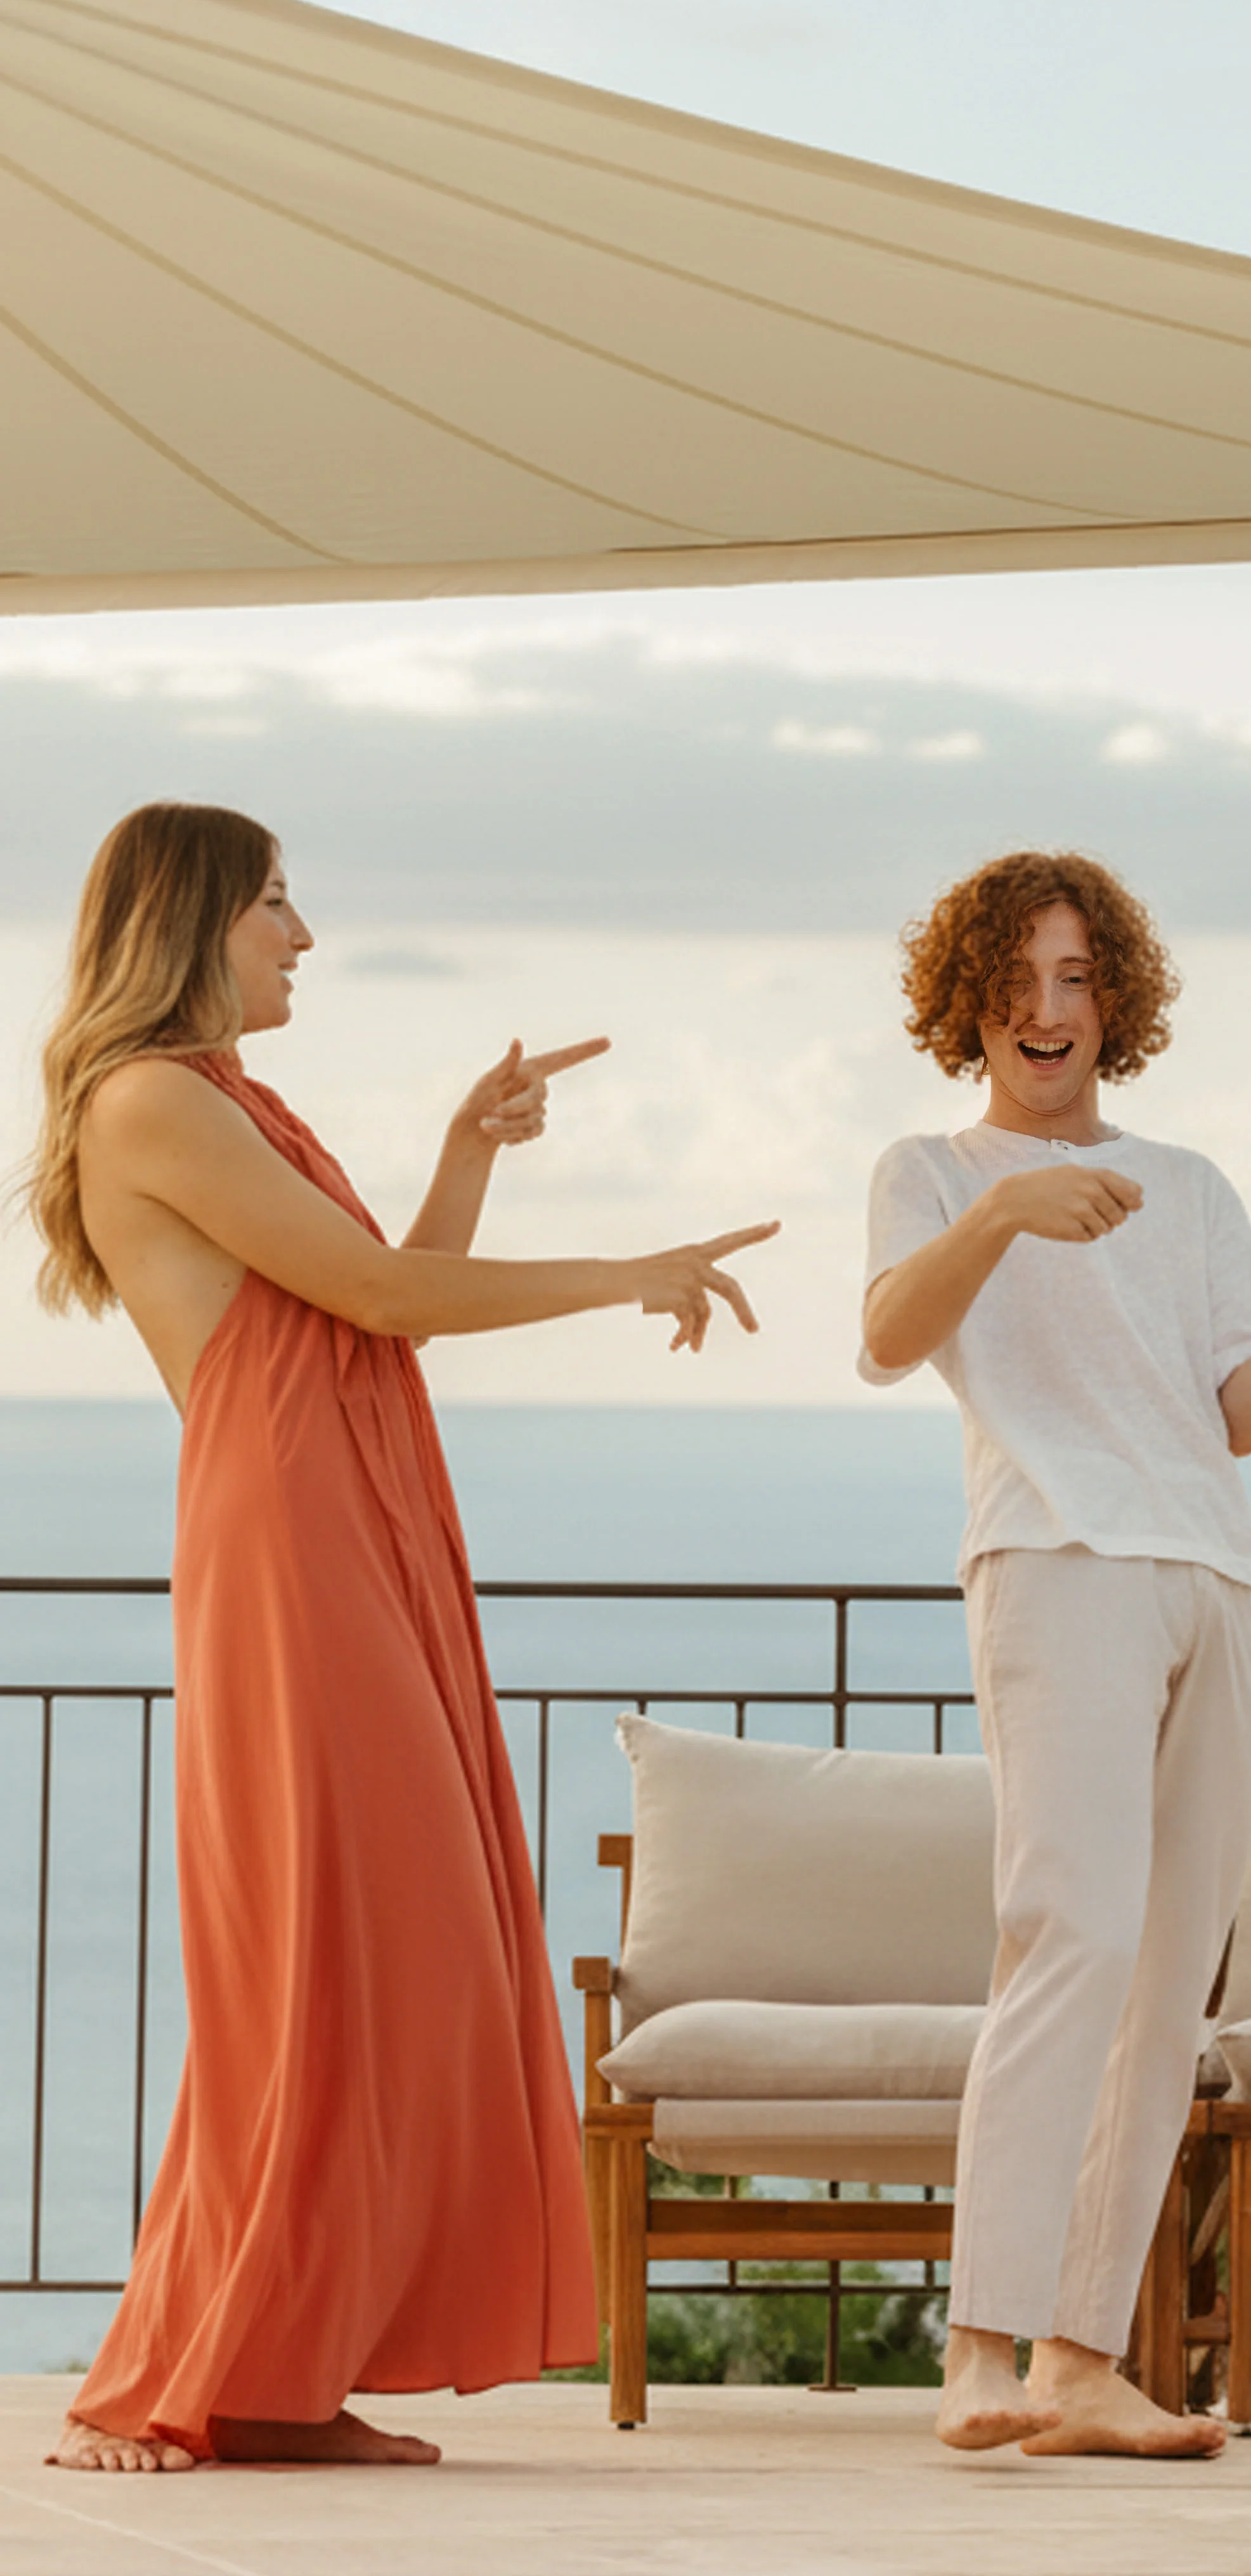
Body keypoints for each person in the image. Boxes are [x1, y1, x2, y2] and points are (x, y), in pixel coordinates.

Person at [28, 801, 777, 2473]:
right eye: (276, 902)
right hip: (289, 1546)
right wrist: (626, 1269)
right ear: (192, 918)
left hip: (360, 1523)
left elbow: (376, 1304)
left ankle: (283, 2378)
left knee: (392, 1951)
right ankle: (158, 2380)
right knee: (313, 1958)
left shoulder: (241, 1104)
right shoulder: (148, 1099)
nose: (303, 935)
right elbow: (378, 1301)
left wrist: (467, 1153)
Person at [859, 849, 1251, 2459]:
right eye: (1018, 980)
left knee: (1168, 1983)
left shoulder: (1192, 1187)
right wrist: (1007, 1210)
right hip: (1056, 1564)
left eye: (1078, 977)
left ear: (1116, 1001)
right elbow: (886, 1337)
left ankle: (1082, 2361)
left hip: (1212, 1575)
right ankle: (980, 2349)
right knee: (1069, 1937)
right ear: (969, 1004)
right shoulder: (931, 1174)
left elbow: (1236, 1410)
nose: (1049, 1009)